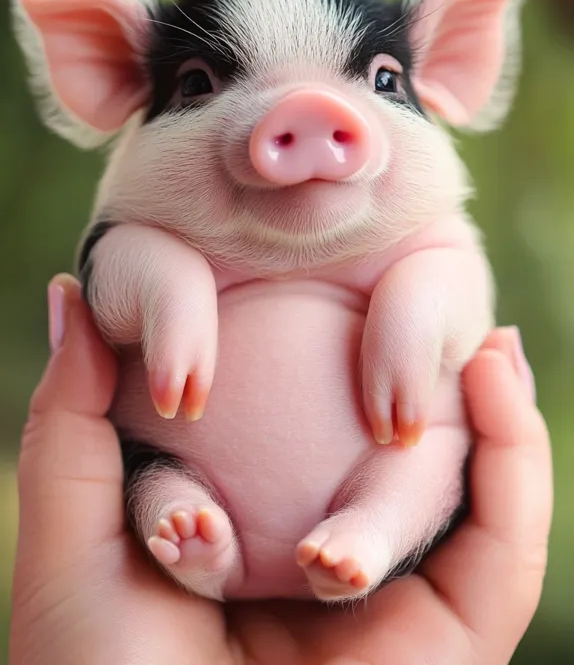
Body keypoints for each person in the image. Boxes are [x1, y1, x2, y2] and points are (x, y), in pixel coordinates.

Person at [10, 274, 552, 665]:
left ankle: (372, 536)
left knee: (426, 467)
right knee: (159, 487)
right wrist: (158, 281)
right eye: (200, 103)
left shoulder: (433, 239)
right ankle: (202, 556)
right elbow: (119, 272)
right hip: (178, 463)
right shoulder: (150, 218)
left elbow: (456, 289)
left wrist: (419, 297)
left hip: (388, 465)